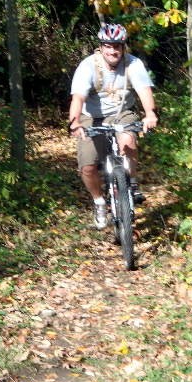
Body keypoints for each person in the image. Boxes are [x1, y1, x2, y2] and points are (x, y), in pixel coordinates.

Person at [68, 23, 158, 229]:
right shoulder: (88, 66)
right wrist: (74, 121)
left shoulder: (133, 64)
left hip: (122, 113)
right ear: (101, 47)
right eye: (108, 46)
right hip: (92, 116)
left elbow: (144, 91)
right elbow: (78, 97)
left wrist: (150, 114)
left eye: (117, 46)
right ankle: (99, 202)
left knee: (128, 139)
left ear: (123, 47)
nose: (112, 51)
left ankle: (130, 182)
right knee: (88, 166)